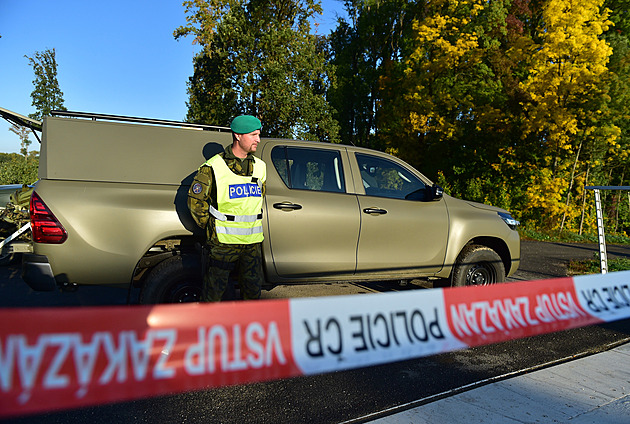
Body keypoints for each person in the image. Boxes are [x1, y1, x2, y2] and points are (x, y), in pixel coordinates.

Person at [187, 115, 266, 301]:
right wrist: (212, 228)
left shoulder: (260, 167)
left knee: (253, 298)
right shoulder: (213, 167)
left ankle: (250, 330)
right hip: (223, 244)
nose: (258, 140)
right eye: (253, 135)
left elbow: (258, 198)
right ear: (238, 136)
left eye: (259, 134)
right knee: (213, 297)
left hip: (252, 245)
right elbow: (195, 202)